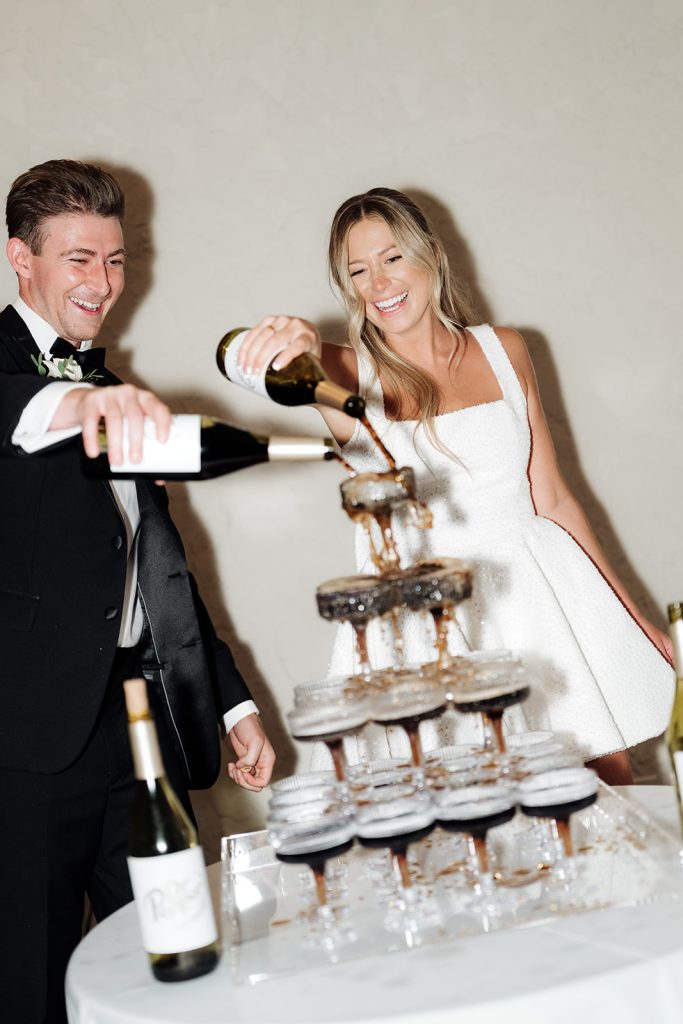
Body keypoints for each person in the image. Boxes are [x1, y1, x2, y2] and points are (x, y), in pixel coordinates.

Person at [237, 185, 673, 787]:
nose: (379, 283)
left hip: (543, 602)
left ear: (433, 255)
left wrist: (635, 619)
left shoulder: (506, 349)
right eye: (358, 271)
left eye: (392, 258)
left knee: (608, 786)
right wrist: (299, 340)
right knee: (471, 809)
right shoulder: (345, 372)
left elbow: (552, 499)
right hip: (430, 626)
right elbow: (281, 366)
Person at [0, 159, 275, 1024]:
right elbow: (20, 408)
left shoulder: (116, 393)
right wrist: (78, 409)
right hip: (25, 744)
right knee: (29, 987)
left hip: (140, 725)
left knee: (173, 963)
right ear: (21, 258)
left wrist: (231, 702)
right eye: (79, 258)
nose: (103, 281)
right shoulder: (42, 390)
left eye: (115, 260)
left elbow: (158, 566)